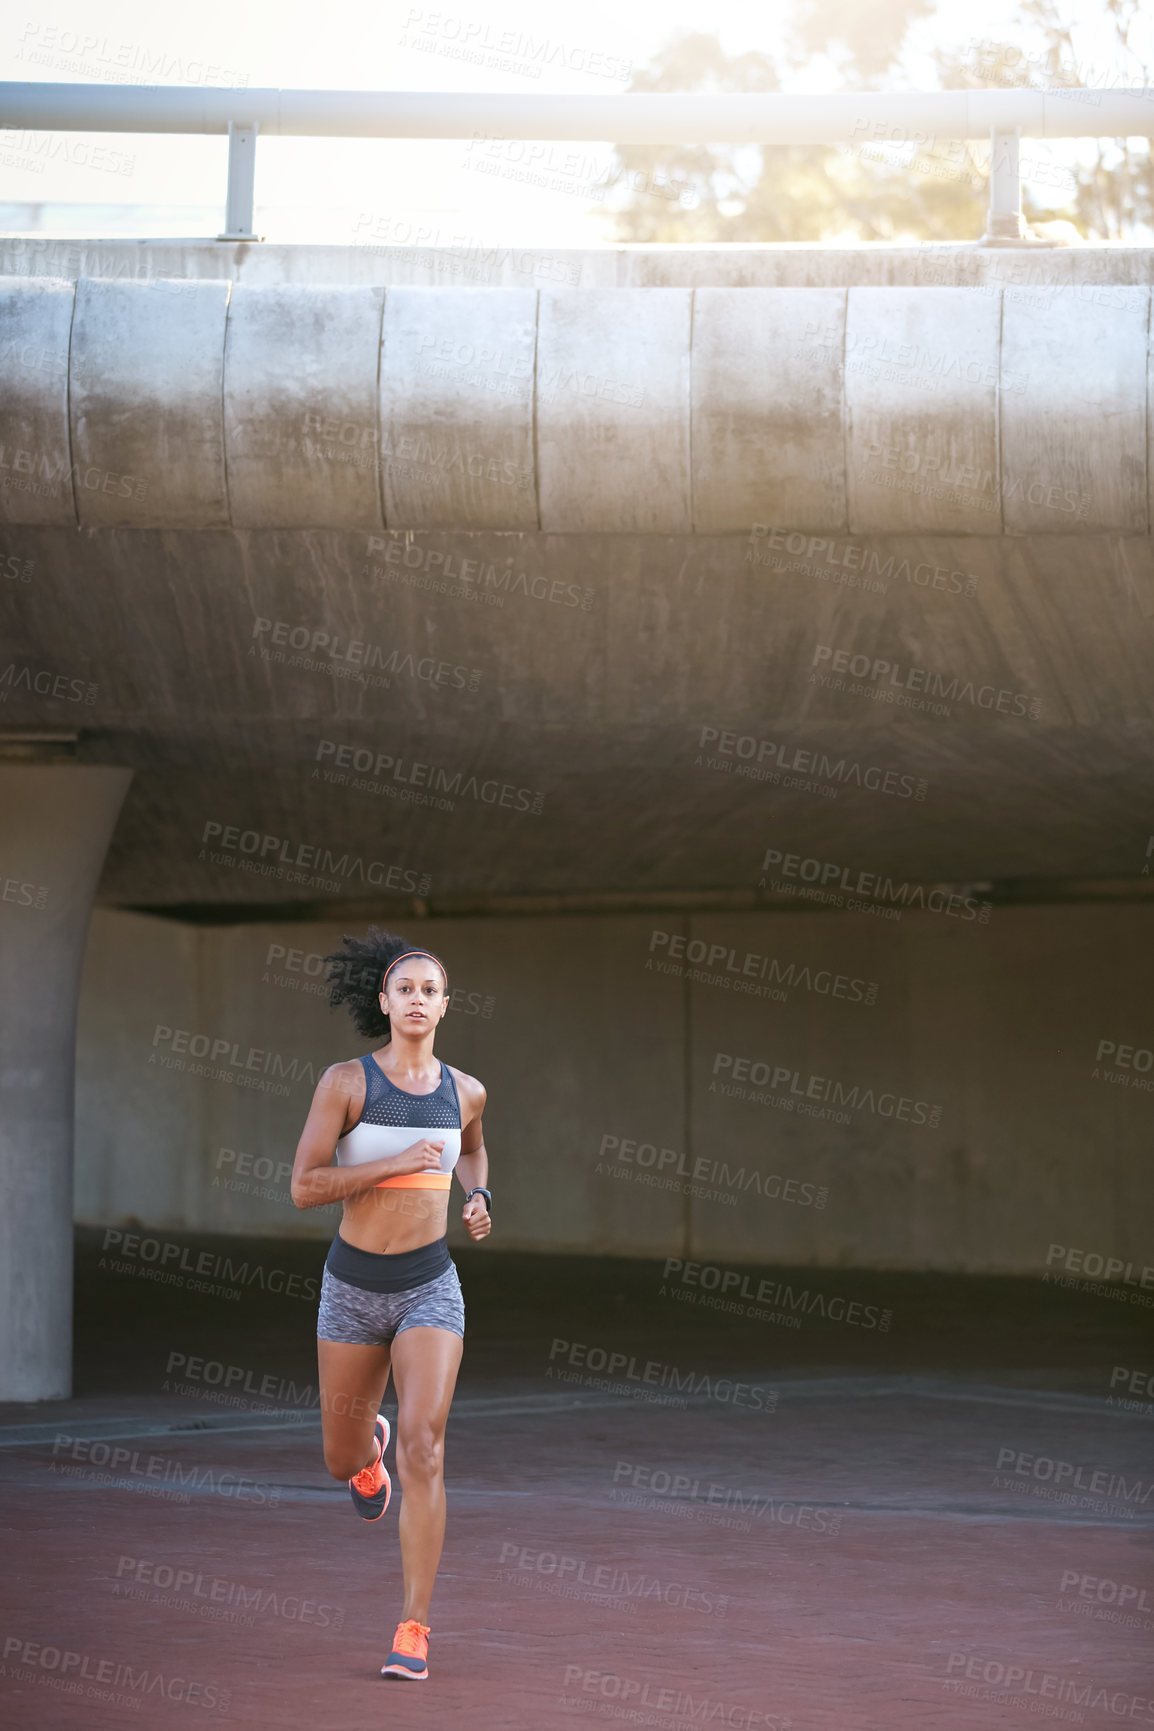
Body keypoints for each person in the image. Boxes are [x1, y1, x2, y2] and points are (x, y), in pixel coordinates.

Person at [291, 926, 491, 1682]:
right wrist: (392, 1165)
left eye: (429, 990)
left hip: (429, 1285)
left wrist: (478, 1194)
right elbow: (304, 1186)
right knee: (341, 1456)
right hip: (351, 1288)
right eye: (403, 987)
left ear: (444, 1006)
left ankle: (414, 1624)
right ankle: (363, 1456)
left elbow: (473, 1146)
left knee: (427, 1444)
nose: (416, 998)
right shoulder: (346, 1082)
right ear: (384, 999)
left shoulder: (464, 1090)